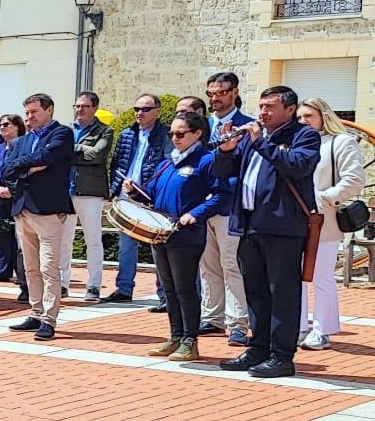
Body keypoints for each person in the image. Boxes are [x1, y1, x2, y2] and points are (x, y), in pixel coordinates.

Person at [211, 86, 320, 379]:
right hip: (249, 225)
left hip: (282, 228)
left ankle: (282, 357)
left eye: (270, 107)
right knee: (256, 292)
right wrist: (225, 151)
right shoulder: (251, 137)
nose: (262, 113)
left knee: (282, 293)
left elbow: (297, 166)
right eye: (261, 106)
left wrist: (261, 143)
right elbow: (223, 172)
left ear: (290, 109)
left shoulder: (304, 136)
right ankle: (258, 348)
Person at [123, 110, 217, 363]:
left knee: (185, 288)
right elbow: (151, 195)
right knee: (169, 288)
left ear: (197, 134)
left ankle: (190, 340)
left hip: (186, 234)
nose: (174, 138)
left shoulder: (206, 161)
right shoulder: (168, 162)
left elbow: (221, 195)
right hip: (161, 232)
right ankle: (175, 336)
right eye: (172, 133)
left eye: (180, 133)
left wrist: (195, 213)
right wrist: (134, 193)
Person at [0, 95, 73, 340]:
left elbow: (48, 157)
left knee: (49, 266)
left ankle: (49, 319)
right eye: (26, 113)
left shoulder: (62, 134)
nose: (29, 117)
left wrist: (23, 167)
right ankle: (36, 311)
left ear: (49, 110)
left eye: (34, 112)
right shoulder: (22, 141)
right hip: (23, 209)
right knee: (30, 267)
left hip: (49, 210)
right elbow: (6, 170)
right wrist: (28, 168)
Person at [298, 96, 364, 351]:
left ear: (323, 116)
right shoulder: (295, 144)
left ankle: (322, 330)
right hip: (294, 219)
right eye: (300, 117)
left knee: (321, 276)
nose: (303, 122)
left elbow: (354, 179)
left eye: (308, 116)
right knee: (295, 276)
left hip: (324, 219)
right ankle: (299, 325)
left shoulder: (340, 142)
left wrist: (325, 197)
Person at [201, 73, 253, 347]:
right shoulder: (200, 125)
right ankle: (212, 317)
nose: (215, 98)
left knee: (231, 265)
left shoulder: (248, 126)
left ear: (234, 93)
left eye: (221, 93)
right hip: (200, 206)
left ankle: (238, 324)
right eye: (211, 93)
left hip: (229, 204)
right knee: (207, 265)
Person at [105, 95, 169, 305]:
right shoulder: (127, 133)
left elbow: (167, 164)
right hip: (126, 194)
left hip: (151, 197)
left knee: (157, 248)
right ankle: (124, 289)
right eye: (136, 109)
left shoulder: (165, 134)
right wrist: (116, 187)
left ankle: (164, 295)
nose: (139, 113)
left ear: (157, 111)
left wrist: (150, 189)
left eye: (145, 109)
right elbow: (117, 162)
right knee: (126, 246)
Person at [64, 92, 114, 301]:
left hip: (90, 191)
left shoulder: (105, 130)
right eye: (77, 106)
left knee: (92, 240)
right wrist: (81, 152)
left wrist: (72, 150)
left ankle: (93, 285)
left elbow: (97, 155)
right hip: (65, 190)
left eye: (84, 106)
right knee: (63, 241)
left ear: (94, 108)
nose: (79, 110)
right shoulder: (66, 130)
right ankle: (61, 283)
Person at [0, 114, 27, 297]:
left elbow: (25, 170)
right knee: (1, 236)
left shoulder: (25, 146)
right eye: (0, 125)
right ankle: (2, 272)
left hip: (18, 198)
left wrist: (11, 189)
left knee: (21, 242)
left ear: (18, 127)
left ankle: (25, 283)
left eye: (6, 124)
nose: (2, 128)